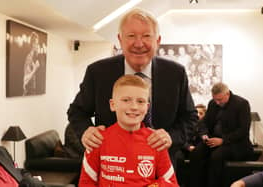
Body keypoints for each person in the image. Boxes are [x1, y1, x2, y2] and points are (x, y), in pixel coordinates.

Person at [67, 8, 197, 169]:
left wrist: (171, 137)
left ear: (158, 40)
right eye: (131, 36)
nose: (139, 43)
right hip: (111, 168)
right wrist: (86, 131)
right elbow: (77, 112)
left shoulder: (175, 73)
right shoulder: (98, 72)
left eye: (146, 36)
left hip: (159, 168)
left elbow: (190, 117)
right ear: (120, 40)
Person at [78, 75, 179, 187]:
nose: (134, 107)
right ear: (113, 105)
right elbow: (86, 183)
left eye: (140, 101)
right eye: (126, 100)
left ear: (147, 107)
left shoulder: (156, 141)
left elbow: (172, 183)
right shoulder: (97, 139)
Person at [189, 82, 254, 187]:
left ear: (227, 94)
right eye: (215, 99)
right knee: (196, 153)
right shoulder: (212, 104)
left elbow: (243, 130)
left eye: (220, 99)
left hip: (235, 144)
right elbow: (204, 123)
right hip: (213, 140)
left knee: (217, 156)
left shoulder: (242, 104)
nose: (217, 102)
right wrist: (204, 135)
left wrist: (223, 140)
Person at [23, 32, 40, 96]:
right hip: (28, 93)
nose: (37, 46)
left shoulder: (33, 58)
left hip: (32, 92)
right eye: (36, 44)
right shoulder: (29, 58)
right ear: (32, 44)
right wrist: (35, 69)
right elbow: (25, 81)